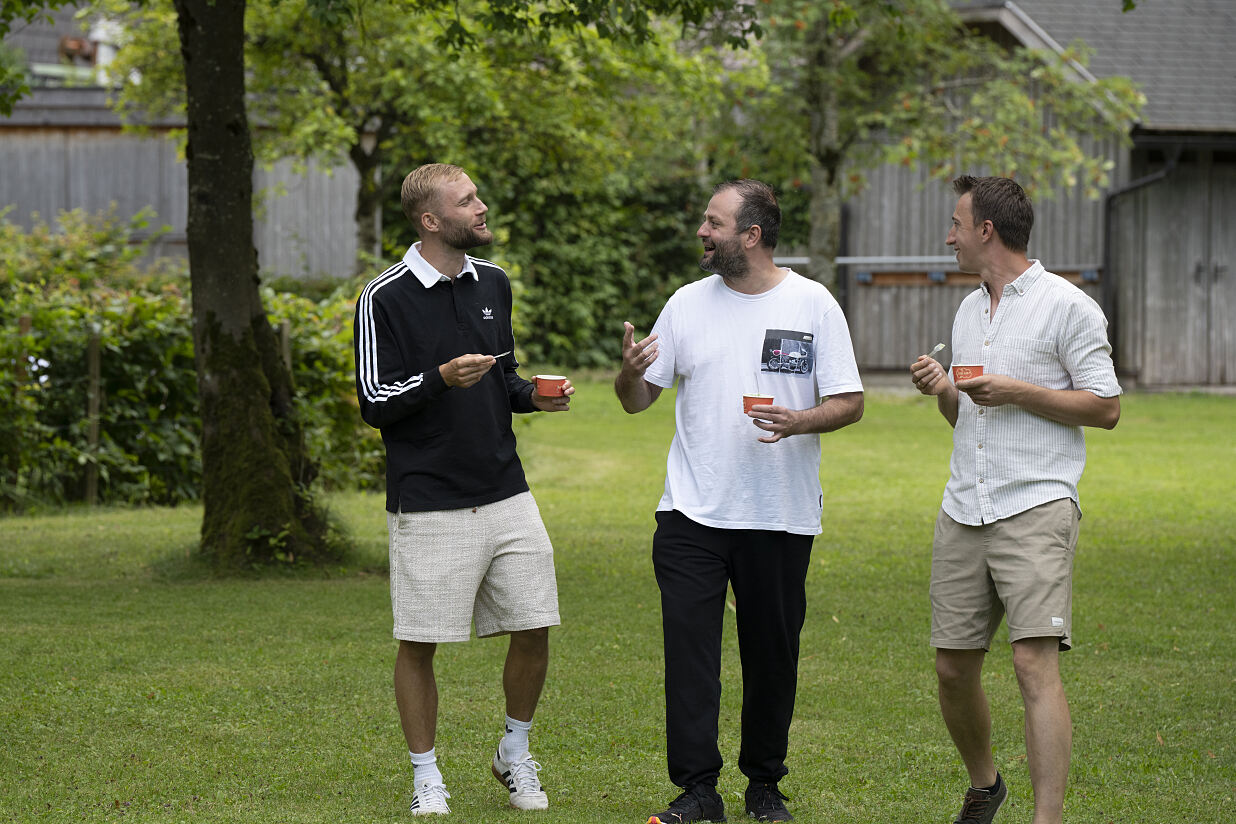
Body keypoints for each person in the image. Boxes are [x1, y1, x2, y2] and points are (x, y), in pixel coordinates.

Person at [615, 179, 864, 823]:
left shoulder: (814, 305)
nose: (702, 230)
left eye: (714, 222)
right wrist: (628, 370)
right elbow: (638, 399)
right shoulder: (685, 305)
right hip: (691, 513)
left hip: (779, 514)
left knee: (771, 657)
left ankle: (765, 785)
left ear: (750, 236)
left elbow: (850, 401)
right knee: (691, 660)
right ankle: (697, 791)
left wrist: (799, 421)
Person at [353, 163, 573, 817]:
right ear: (430, 220)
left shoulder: (494, 285)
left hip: (506, 491)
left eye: (479, 194)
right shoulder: (383, 297)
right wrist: (439, 378)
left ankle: (515, 750)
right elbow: (373, 399)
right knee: (419, 641)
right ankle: (426, 774)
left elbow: (502, 383)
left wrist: (533, 395)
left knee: (534, 626)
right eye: (467, 200)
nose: (481, 207)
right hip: (428, 500)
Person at [910, 175, 1121, 824]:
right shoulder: (969, 309)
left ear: (986, 231)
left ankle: (1045, 819)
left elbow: (1106, 407)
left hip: (1036, 504)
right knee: (951, 668)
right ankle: (986, 785)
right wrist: (944, 390)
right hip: (964, 507)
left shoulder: (1068, 307)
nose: (947, 237)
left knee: (1033, 664)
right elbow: (968, 418)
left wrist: (1018, 391)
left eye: (955, 224)